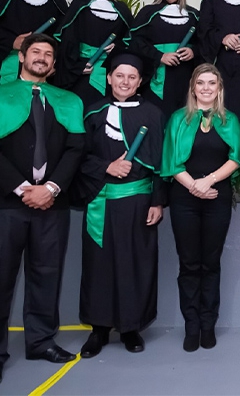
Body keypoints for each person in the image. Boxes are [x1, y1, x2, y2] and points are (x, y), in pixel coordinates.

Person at [0, 34, 84, 381]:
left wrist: (50, 187)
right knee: (1, 278)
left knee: (46, 275)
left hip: (53, 202)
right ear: (21, 57)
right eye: (35, 52)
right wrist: (22, 188)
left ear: (53, 64)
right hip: (7, 202)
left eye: (49, 54)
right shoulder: (1, 95)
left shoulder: (67, 100)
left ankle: (40, 342)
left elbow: (76, 148)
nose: (42, 58)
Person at [75, 52, 166, 358]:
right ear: (109, 77)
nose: (125, 82)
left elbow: (161, 163)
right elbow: (77, 156)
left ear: (140, 81)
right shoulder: (92, 112)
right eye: (119, 75)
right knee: (98, 266)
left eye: (132, 77)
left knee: (134, 264)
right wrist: (106, 167)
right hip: (101, 201)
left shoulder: (153, 114)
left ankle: (130, 328)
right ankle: (98, 329)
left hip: (139, 201)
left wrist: (158, 202)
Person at [162, 63, 240, 352]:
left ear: (219, 89)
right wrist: (193, 186)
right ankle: (191, 325)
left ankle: (208, 324)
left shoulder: (229, 120)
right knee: (189, 264)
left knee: (211, 263)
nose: (206, 88)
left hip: (216, 197)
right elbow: (171, 160)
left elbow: (236, 157)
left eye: (212, 83)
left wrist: (207, 181)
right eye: (201, 83)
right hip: (184, 199)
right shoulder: (177, 119)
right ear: (192, 88)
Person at [53, 0, 133, 108]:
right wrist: (76, 67)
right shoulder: (79, 3)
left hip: (111, 74)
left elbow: (130, 40)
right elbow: (67, 39)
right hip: (83, 71)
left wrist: (117, 48)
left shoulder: (122, 9)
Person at [130, 0, 200, 117]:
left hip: (185, 76)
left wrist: (193, 51)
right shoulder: (148, 13)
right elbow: (135, 43)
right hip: (156, 77)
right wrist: (160, 56)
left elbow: (204, 43)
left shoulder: (194, 15)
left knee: (183, 119)